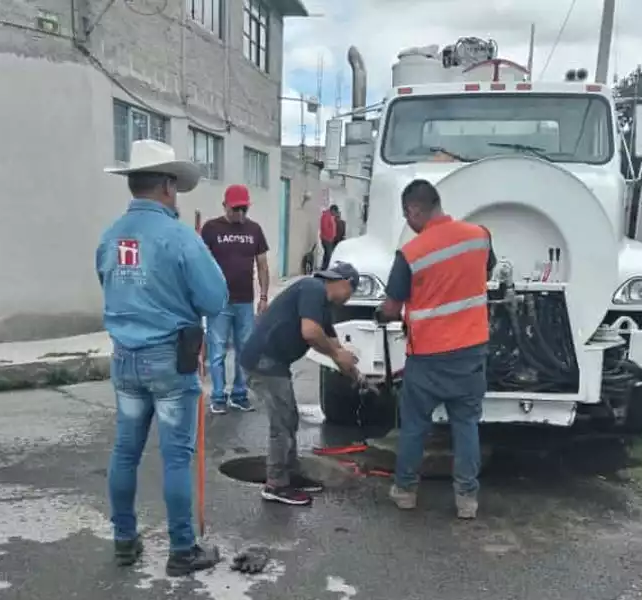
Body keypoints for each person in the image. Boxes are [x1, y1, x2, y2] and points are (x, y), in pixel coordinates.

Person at [97, 139, 227, 576]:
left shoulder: (111, 236)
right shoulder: (178, 236)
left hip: (125, 359)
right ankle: (182, 549)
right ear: (169, 186)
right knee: (175, 458)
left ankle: (124, 540)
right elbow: (215, 298)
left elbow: (108, 282)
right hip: (170, 359)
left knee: (125, 452)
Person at [375, 179, 496, 519]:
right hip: (471, 351)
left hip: (427, 356)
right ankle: (467, 500)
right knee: (466, 424)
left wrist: (383, 315)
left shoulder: (411, 254)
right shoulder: (479, 236)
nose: (407, 223)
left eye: (406, 215)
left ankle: (405, 492)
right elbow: (483, 270)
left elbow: (391, 306)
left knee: (414, 426)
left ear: (414, 209)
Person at [241, 263, 361, 506]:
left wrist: (356, 375)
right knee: (283, 421)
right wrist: (338, 356)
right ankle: (276, 484)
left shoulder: (322, 304)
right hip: (264, 362)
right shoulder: (313, 288)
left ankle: (288, 474)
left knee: (289, 418)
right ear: (345, 283)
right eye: (352, 292)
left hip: (274, 362)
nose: (349, 300)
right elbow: (311, 333)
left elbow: (333, 344)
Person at [201, 184, 270, 414]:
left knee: (245, 349)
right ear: (225, 206)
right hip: (218, 302)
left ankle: (239, 394)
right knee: (217, 350)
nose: (240, 214)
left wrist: (263, 296)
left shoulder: (255, 230)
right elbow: (200, 264)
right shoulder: (211, 229)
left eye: (244, 209)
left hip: (244, 301)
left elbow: (262, 265)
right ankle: (218, 396)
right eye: (236, 209)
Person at [319, 205, 337, 269]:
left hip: (329, 239)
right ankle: (324, 268)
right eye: (335, 212)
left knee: (327, 254)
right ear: (332, 210)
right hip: (326, 238)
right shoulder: (326, 216)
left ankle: (324, 268)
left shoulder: (330, 216)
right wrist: (329, 236)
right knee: (329, 254)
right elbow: (324, 227)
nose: (335, 214)